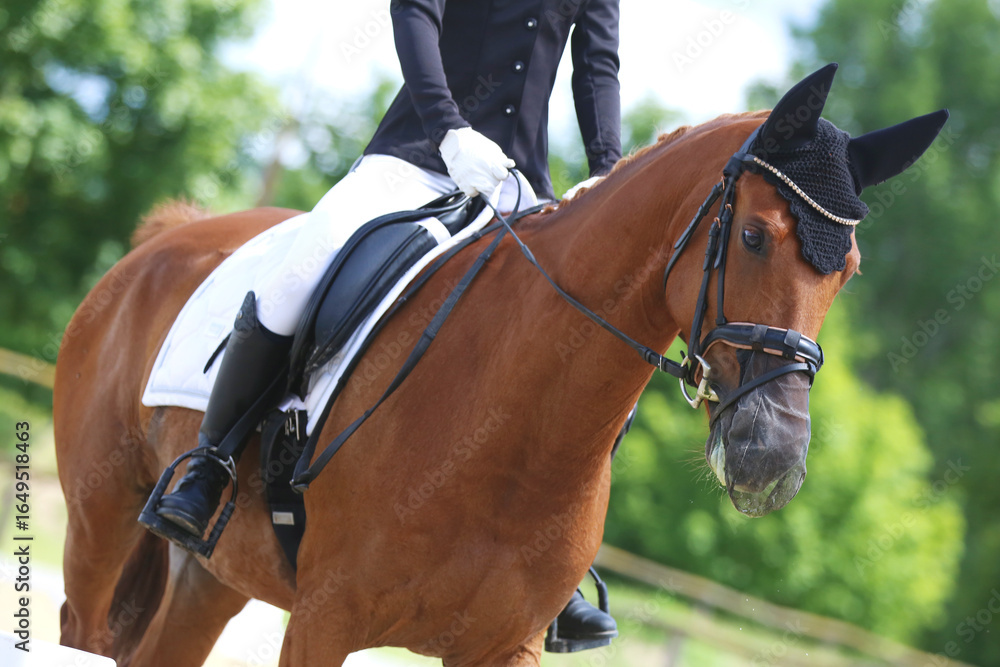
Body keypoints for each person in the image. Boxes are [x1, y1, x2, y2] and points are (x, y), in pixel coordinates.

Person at [149, 0, 622, 648]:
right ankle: (211, 463)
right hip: (415, 155)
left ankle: (554, 563)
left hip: (516, 184)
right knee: (296, 277)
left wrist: (606, 172)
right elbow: (415, 15)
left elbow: (597, 67)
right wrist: (450, 128)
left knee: (584, 333)